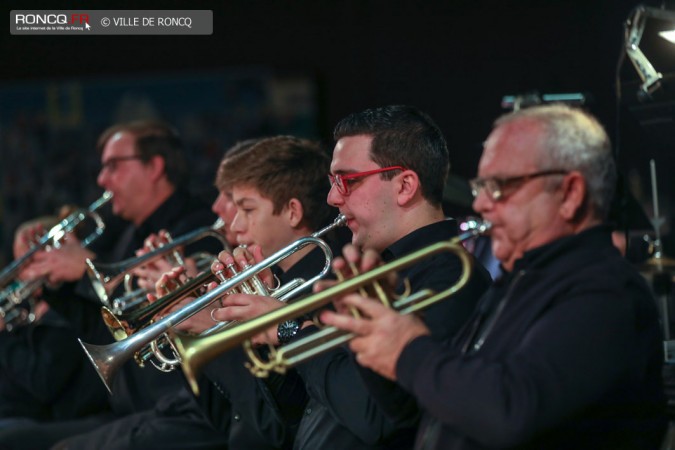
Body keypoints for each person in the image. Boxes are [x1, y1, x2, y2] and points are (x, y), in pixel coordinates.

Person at [322, 104, 667, 449]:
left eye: (499, 186)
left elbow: (511, 411)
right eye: (481, 187)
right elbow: (418, 414)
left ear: (569, 194)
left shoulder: (604, 294)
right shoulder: (518, 284)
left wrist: (408, 348)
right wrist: (369, 333)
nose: (482, 204)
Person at [213, 105, 491, 449]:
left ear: (405, 186)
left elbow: (376, 419)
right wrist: (263, 332)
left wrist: (287, 328)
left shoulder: (450, 277)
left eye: (348, 181)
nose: (333, 197)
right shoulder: (373, 271)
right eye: (333, 182)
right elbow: (301, 414)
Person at [54, 135, 343, 449]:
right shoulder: (274, 282)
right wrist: (187, 333)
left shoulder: (322, 291)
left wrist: (215, 331)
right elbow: (223, 416)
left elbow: (271, 429)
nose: (232, 223)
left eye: (245, 208)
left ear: (292, 212)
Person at [0, 120, 218, 449]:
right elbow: (105, 329)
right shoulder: (127, 234)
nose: (102, 180)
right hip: (132, 403)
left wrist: (88, 270)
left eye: (113, 166)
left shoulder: (196, 227)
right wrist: (57, 286)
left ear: (155, 166)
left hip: (175, 404)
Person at [0, 217, 111, 431]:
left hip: (61, 421)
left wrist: (2, 336)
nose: (22, 274)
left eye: (29, 262)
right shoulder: (30, 307)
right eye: (18, 263)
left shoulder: (69, 311)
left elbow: (43, 384)